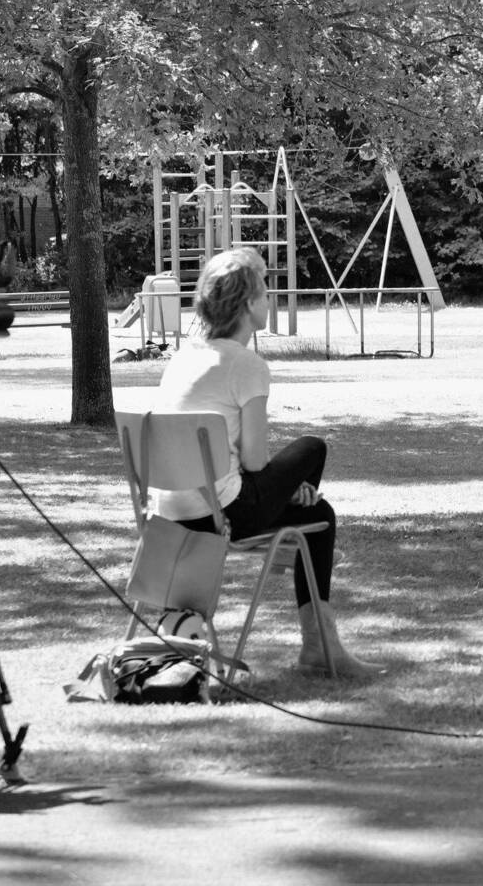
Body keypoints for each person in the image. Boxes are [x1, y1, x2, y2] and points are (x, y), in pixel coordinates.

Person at [150, 246, 382, 677]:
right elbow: (256, 462)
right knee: (313, 449)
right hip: (222, 516)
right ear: (247, 304)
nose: (269, 300)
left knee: (318, 511)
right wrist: (289, 487)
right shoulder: (247, 365)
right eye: (264, 292)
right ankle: (319, 646)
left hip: (169, 515)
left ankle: (316, 635)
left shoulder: (181, 359)